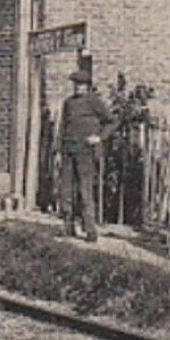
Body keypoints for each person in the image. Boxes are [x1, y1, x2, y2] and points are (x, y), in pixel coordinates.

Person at [56, 69, 116, 242]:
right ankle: (68, 226)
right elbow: (62, 127)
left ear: (87, 86)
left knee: (85, 190)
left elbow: (111, 121)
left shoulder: (94, 102)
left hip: (85, 152)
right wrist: (58, 151)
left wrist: (99, 137)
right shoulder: (68, 103)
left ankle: (90, 229)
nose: (77, 88)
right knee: (66, 190)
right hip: (68, 150)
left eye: (81, 85)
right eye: (75, 84)